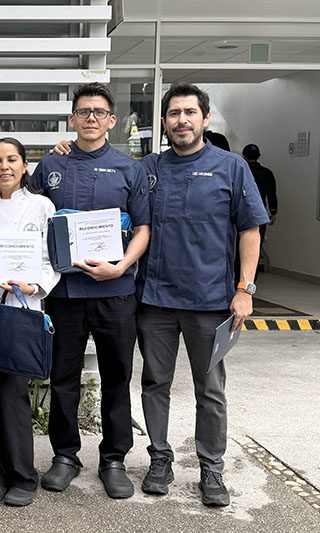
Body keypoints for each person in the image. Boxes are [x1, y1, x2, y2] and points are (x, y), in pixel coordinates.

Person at [0, 82, 151, 500]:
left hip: (115, 290)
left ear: (111, 120)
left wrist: (121, 266)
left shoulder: (130, 168)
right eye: (83, 111)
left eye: (99, 112)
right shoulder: (53, 163)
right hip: (65, 295)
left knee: (116, 377)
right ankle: (65, 456)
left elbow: (143, 227)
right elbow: (16, 196)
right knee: (63, 379)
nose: (91, 118)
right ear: (72, 119)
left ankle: (114, 459)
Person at [136, 83, 269, 507]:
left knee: (209, 389)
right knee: (154, 383)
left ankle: (212, 468)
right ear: (164, 122)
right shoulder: (149, 168)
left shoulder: (231, 167)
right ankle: (159, 459)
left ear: (205, 118)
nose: (182, 121)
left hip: (210, 300)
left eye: (190, 112)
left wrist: (245, 288)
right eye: (174, 114)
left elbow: (250, 229)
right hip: (155, 300)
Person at [0, 138, 60, 507]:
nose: (4, 167)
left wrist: (35, 285)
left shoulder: (41, 206)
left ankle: (23, 475)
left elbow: (52, 259)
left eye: (12, 160)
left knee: (13, 395)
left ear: (24, 166)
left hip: (20, 308)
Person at [242, 143, 278, 242]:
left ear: (244, 156)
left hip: (241, 212)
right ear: (258, 156)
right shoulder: (267, 173)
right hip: (259, 213)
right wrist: (273, 212)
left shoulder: (240, 171)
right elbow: (271, 193)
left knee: (240, 245)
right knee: (257, 243)